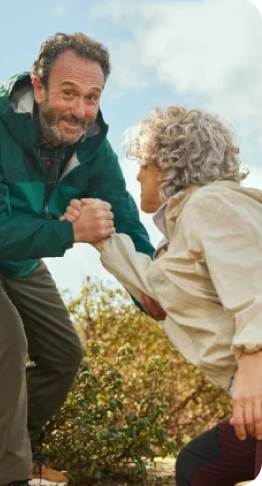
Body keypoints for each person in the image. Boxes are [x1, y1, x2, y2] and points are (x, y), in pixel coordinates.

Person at [0, 32, 155, 486]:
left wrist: (149, 290)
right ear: (39, 85)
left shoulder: (93, 145)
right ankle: (6, 474)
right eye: (68, 93)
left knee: (65, 352)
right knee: (5, 336)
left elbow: (122, 216)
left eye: (92, 97)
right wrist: (69, 232)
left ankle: (8, 447)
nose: (80, 110)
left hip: (21, 244)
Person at [62, 106, 262, 485]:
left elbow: (257, 282)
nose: (137, 174)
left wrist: (254, 361)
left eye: (144, 163)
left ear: (170, 164)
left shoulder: (213, 204)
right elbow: (156, 290)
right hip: (252, 390)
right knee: (196, 465)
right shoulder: (185, 228)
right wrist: (100, 237)